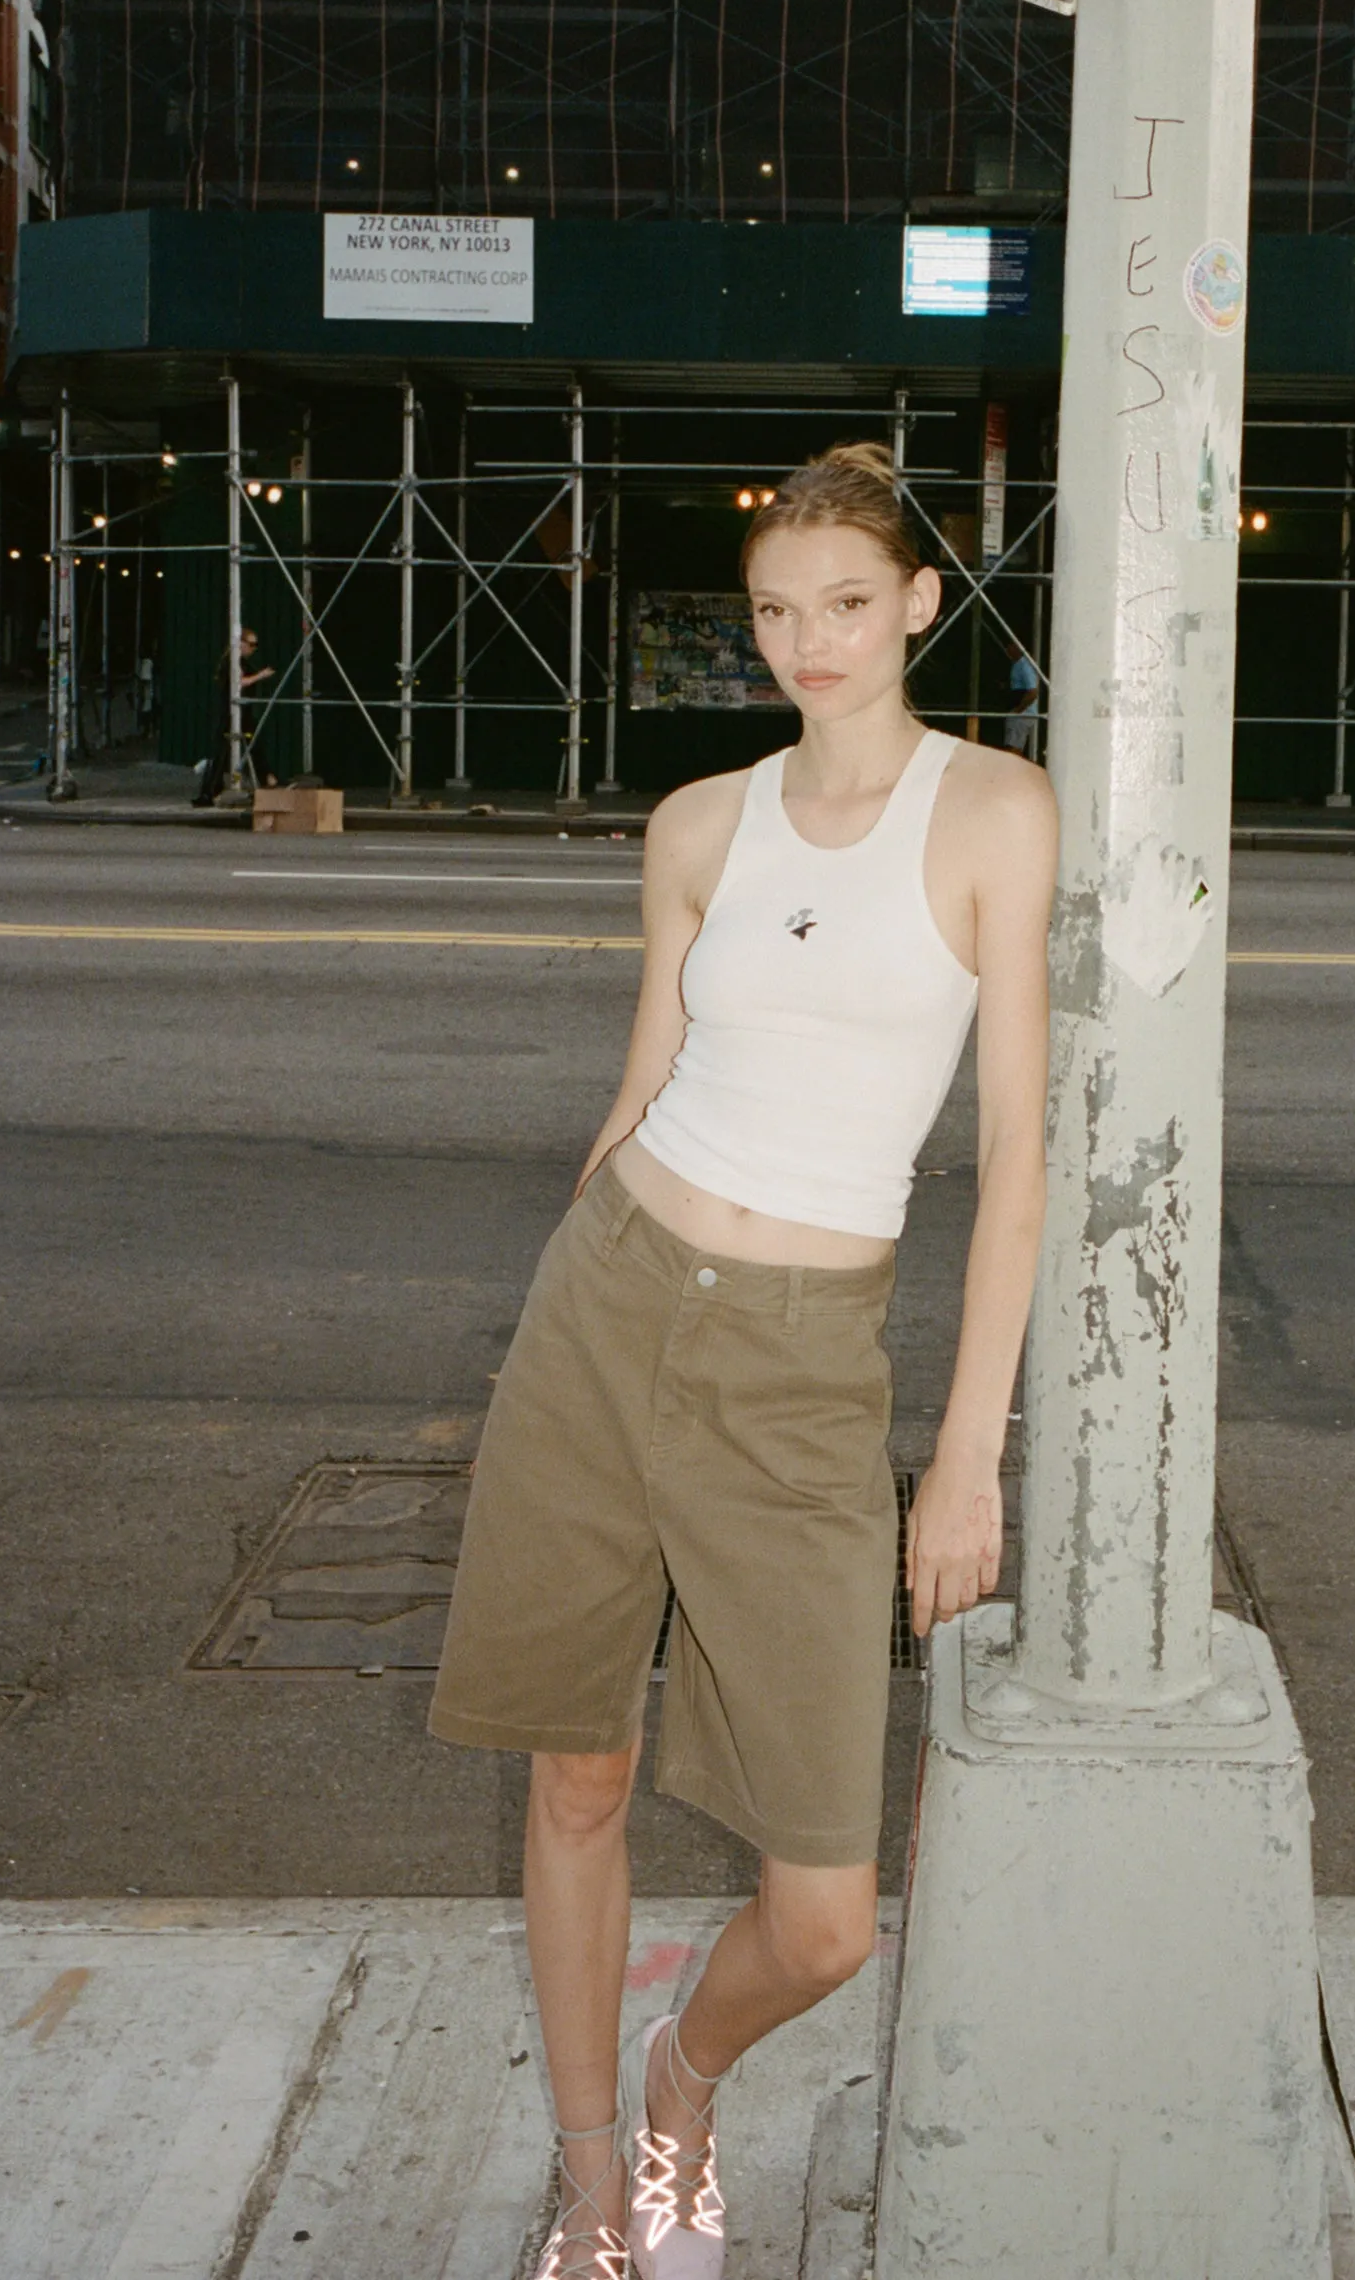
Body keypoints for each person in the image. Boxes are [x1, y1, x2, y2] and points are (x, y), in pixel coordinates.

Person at [429, 442, 1056, 2280]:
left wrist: (965, 1456)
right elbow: (634, 1098)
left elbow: (1015, 1149)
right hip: (610, 1308)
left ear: (920, 604)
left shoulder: (993, 815)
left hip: (802, 1367)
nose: (808, 643)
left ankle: (680, 2074)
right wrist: (575, 1286)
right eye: (776, 612)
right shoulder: (698, 825)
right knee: (575, 1778)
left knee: (824, 1909)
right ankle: (593, 2179)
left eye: (844, 605)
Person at [191, 627, 273, 804]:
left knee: (252, 746)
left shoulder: (242, 663)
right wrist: (260, 676)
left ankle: (266, 778)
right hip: (232, 713)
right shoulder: (232, 662)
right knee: (223, 752)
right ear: (241, 644)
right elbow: (239, 683)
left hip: (244, 712)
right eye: (251, 644)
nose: (253, 649)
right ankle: (212, 789)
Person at [1002, 645, 1042, 759]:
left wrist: (1019, 710)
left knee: (1013, 749)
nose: (1007, 650)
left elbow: (1033, 692)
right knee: (1012, 747)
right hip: (1017, 711)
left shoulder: (1024, 665)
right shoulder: (1016, 665)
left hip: (1022, 714)